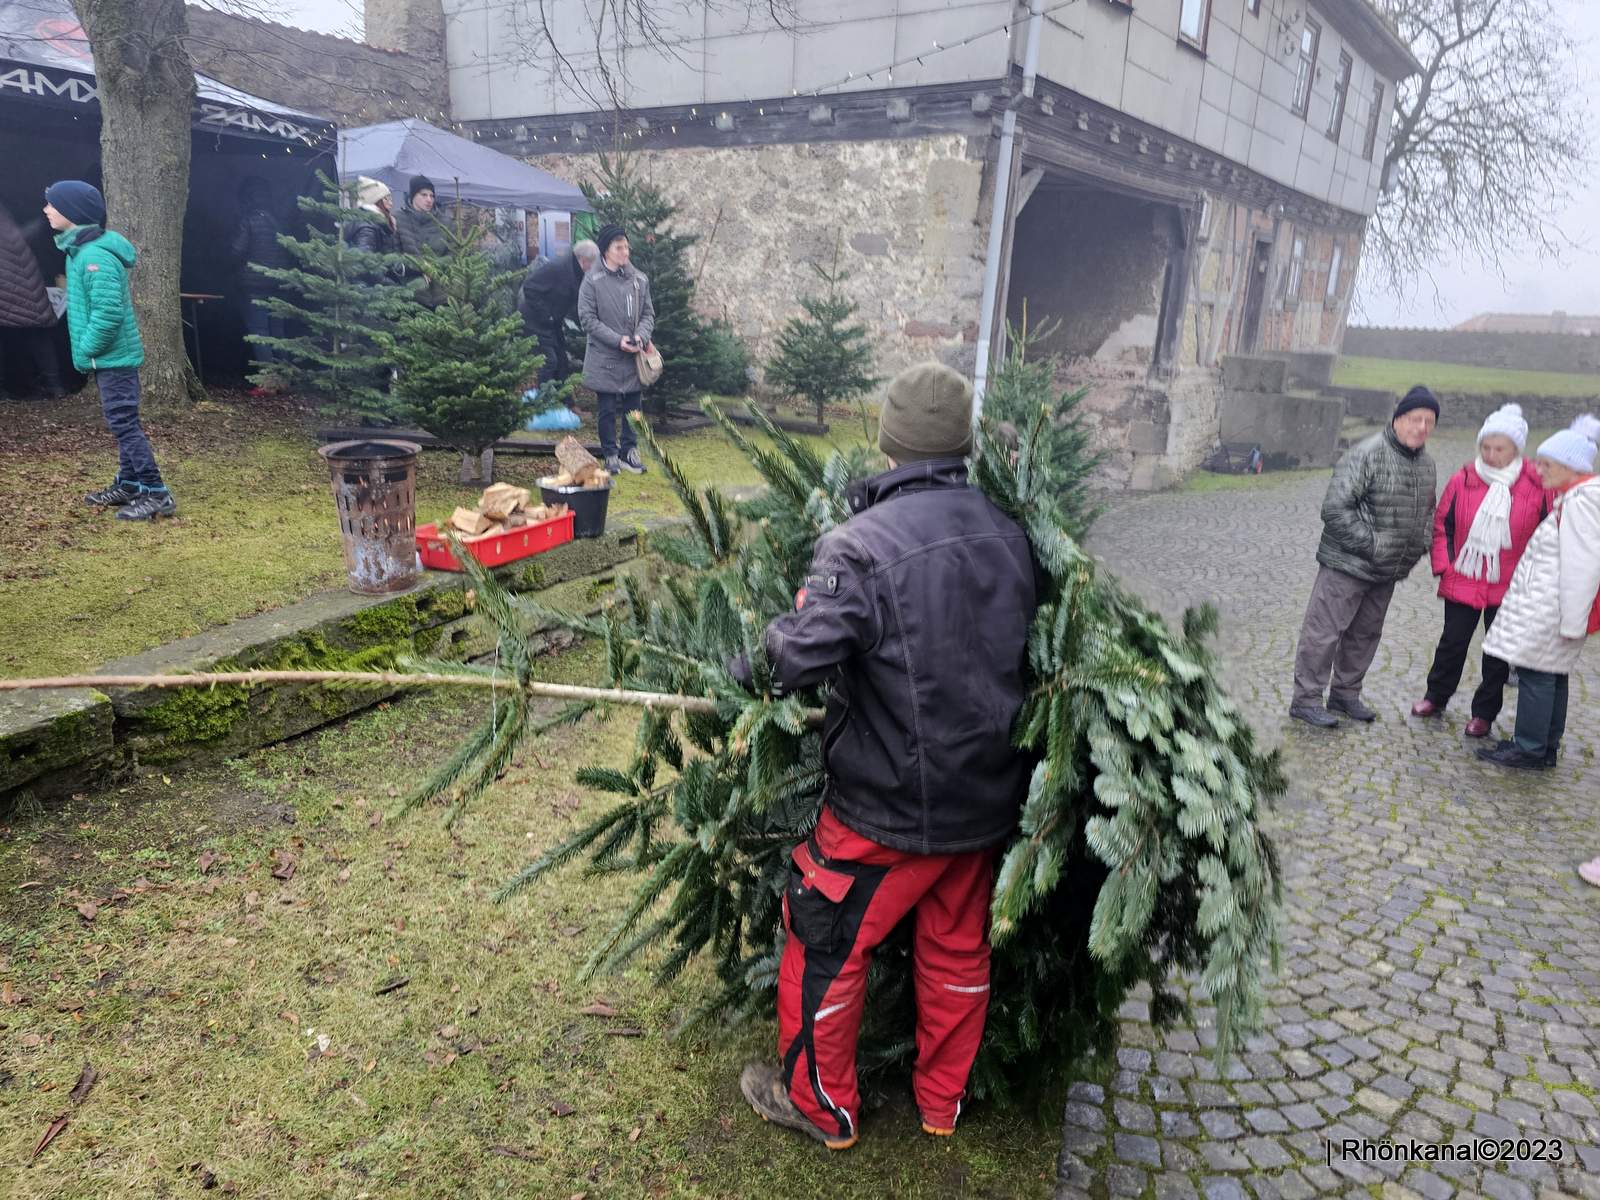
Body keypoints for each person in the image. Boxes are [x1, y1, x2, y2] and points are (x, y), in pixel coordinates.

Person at [731, 363, 1038, 1150]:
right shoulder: (1010, 534)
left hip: (886, 808)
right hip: (986, 801)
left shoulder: (861, 546)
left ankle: (820, 1105)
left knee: (826, 939)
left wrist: (750, 661)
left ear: (888, 440)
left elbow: (800, 657)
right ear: (960, 444)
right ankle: (943, 1106)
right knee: (957, 950)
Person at [1289, 386, 1438, 727]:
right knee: (1323, 632)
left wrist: (1419, 544)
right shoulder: (1367, 454)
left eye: (1429, 422)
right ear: (1398, 419)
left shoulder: (1426, 464)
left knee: (1365, 635)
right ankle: (1306, 699)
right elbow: (1335, 510)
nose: (1421, 428)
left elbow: (1428, 511)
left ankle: (1345, 693)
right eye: (1415, 419)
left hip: (1387, 571)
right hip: (1348, 564)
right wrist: (1374, 545)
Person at [1410, 403, 1548, 736]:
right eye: (1485, 447)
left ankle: (1484, 713)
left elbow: (1546, 534)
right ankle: (1436, 696)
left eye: (1498, 448)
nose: (1490, 454)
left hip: (1510, 581)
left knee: (1498, 652)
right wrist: (1446, 565)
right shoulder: (1464, 478)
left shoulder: (1535, 484)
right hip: (1464, 577)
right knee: (1452, 643)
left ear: (1515, 449)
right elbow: (1443, 523)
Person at [44, 181, 176, 521]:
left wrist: (87, 349)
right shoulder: (79, 252)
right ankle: (130, 483)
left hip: (113, 358)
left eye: (52, 205)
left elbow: (108, 313)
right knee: (120, 422)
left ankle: (156, 492)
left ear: (72, 213)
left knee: (124, 424)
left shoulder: (94, 256)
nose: (46, 211)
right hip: (108, 359)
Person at [1476, 415, 1600, 771]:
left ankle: (1529, 747)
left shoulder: (1580, 503)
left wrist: (1573, 621)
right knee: (1551, 673)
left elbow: (1583, 566)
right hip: (1552, 607)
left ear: (1568, 466)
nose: (1537, 469)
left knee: (1536, 673)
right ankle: (1543, 745)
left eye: (1545, 464)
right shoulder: (1574, 498)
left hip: (1552, 610)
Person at [577, 224, 653, 474]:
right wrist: (617, 340)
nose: (625, 252)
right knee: (607, 409)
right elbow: (587, 319)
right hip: (605, 357)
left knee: (634, 408)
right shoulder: (592, 281)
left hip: (634, 358)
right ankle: (610, 453)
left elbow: (648, 314)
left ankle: (630, 451)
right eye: (619, 248)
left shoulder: (639, 279)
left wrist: (640, 337)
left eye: (627, 247)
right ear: (606, 250)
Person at [0, 200, 66, 401]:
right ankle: (54, 386)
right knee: (37, 331)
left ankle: (10, 387)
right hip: (26, 281)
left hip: (8, 283)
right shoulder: (6, 215)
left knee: (25, 334)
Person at [227, 177, 290, 378]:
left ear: (247, 198)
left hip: (253, 284)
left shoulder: (248, 220)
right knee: (277, 332)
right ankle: (285, 377)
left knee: (259, 332)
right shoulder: (278, 221)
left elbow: (237, 250)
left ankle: (268, 381)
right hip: (278, 282)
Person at [520, 239, 598, 383]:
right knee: (549, 362)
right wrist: (546, 315)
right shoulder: (558, 268)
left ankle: (565, 402)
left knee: (562, 362)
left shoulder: (576, 272)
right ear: (584, 260)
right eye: (593, 264)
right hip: (534, 322)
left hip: (551, 324)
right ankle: (539, 401)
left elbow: (574, 303)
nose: (593, 269)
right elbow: (529, 286)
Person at [393, 175, 449, 307]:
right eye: (423, 195)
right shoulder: (398, 219)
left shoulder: (445, 223)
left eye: (432, 196)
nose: (429, 200)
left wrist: (434, 270)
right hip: (410, 296)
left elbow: (453, 255)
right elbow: (393, 257)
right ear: (413, 196)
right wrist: (420, 268)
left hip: (442, 296)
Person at [345, 177, 398, 255]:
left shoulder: (375, 222)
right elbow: (365, 260)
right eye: (386, 198)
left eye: (391, 198)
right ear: (375, 200)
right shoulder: (367, 228)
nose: (391, 203)